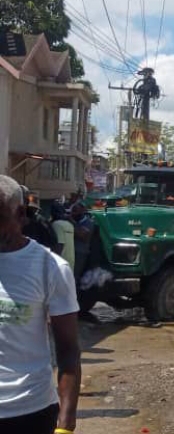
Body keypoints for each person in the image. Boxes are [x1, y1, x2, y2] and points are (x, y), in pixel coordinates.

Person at [0, 175, 81, 433]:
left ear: (20, 214)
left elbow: (68, 350)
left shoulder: (51, 268)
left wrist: (65, 425)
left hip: (29, 412)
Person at [50, 203, 75, 268]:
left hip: (60, 261)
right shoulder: (69, 224)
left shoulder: (56, 224)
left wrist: (54, 261)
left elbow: (60, 244)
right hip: (70, 260)